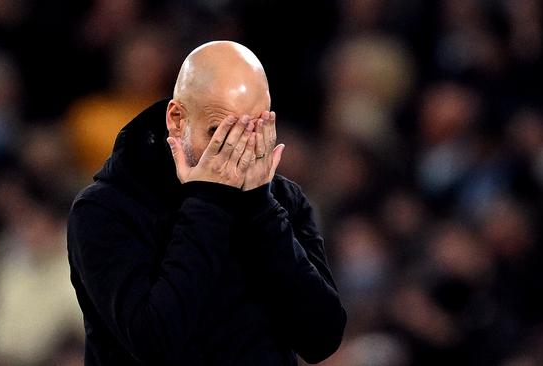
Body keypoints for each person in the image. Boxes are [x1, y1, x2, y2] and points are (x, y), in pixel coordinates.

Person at [67, 40, 346, 365]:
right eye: (218, 131)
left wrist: (262, 212)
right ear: (176, 119)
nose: (236, 151)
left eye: (252, 131)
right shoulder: (105, 209)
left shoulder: (280, 200)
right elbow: (155, 342)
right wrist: (207, 203)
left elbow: (321, 339)